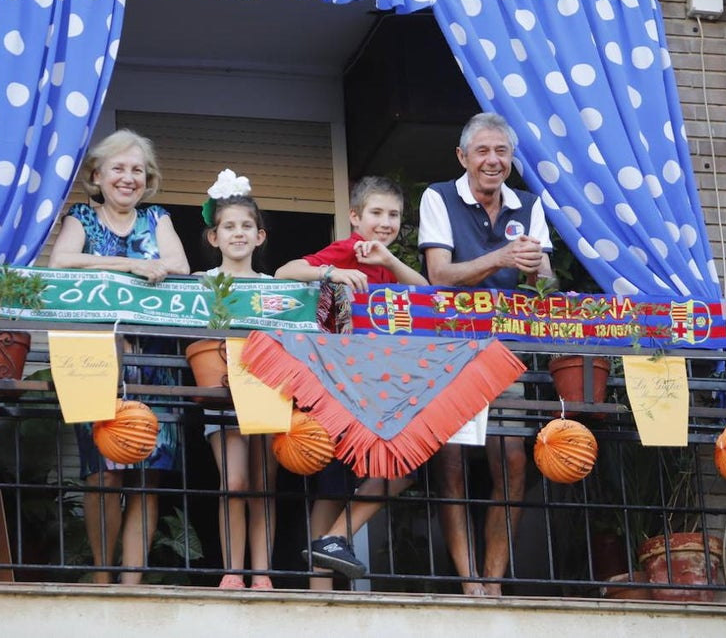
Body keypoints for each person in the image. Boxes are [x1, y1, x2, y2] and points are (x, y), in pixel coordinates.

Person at [417, 112, 554, 596]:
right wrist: (500, 258)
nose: (492, 160)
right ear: (463, 157)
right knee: (451, 461)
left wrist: (539, 270)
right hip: (450, 349)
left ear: (511, 161)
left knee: (512, 460)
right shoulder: (438, 196)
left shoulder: (530, 206)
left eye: (501, 152)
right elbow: (439, 275)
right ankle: (467, 578)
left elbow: (547, 284)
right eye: (482, 151)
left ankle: (493, 582)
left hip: (506, 349)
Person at [48, 128, 190, 584]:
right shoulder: (82, 220)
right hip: (95, 360)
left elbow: (181, 266)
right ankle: (104, 574)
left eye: (137, 170)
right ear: (98, 175)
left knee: (149, 476)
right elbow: (61, 261)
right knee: (103, 473)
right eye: (118, 169)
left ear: (147, 179)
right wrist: (129, 264)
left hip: (156, 364)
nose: (128, 178)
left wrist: (149, 265)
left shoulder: (157, 218)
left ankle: (132, 580)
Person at [275, 176, 428, 588]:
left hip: (377, 389)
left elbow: (429, 295)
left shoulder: (388, 263)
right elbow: (283, 272)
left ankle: (334, 539)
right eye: (376, 213)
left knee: (402, 468)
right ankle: (319, 590)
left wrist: (389, 261)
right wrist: (332, 272)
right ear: (355, 216)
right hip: (339, 386)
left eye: (393, 214)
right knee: (333, 486)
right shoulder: (346, 250)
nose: (385, 222)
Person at [195, 169, 278, 590]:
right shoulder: (197, 285)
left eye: (247, 226)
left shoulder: (274, 286)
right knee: (236, 480)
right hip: (222, 394)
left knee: (264, 483)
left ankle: (261, 573)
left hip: (266, 389)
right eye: (229, 226)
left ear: (260, 236)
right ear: (214, 237)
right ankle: (233, 569)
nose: (238, 233)